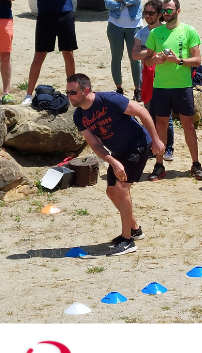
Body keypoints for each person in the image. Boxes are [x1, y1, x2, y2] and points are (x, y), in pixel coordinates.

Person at [67, 72, 164, 252]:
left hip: (137, 144)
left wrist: (156, 139)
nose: (69, 96)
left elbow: (142, 111)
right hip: (117, 151)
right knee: (111, 192)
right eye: (67, 93)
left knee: (121, 188)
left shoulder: (110, 99)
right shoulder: (78, 116)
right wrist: (112, 161)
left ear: (86, 90)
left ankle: (127, 241)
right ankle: (134, 229)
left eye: (73, 92)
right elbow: (94, 144)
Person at [143, 0, 202, 181]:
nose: (165, 13)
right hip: (161, 86)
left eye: (169, 10)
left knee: (188, 125)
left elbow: (197, 60)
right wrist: (154, 60)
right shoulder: (156, 33)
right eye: (163, 10)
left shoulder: (189, 31)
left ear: (178, 10)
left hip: (183, 86)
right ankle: (159, 164)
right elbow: (147, 59)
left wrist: (177, 60)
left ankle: (196, 164)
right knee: (160, 125)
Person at [102, 0, 144, 96]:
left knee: (135, 58)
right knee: (116, 57)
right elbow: (107, 3)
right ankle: (119, 87)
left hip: (134, 25)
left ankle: (137, 89)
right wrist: (124, 3)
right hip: (115, 24)